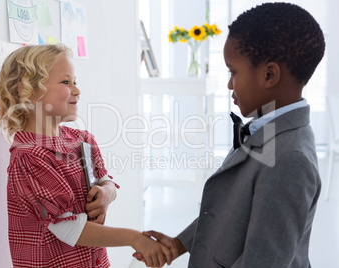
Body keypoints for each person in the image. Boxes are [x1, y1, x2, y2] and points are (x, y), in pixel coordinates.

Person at [134, 2, 324, 267]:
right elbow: (233, 206)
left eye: (233, 72)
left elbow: (262, 261)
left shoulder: (290, 160)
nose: (228, 84)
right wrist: (180, 243)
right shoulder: (268, 127)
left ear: (269, 75)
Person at [0, 44, 171, 268]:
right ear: (28, 91)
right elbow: (69, 228)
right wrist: (134, 238)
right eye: (66, 82)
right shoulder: (30, 158)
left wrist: (107, 193)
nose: (77, 91)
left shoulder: (82, 140)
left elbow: (105, 180)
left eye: (75, 82)